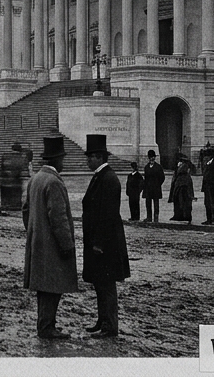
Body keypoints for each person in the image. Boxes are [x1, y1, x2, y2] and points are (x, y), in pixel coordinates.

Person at [21, 135, 77, 340]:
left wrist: (34, 231)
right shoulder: (53, 182)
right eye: (62, 158)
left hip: (38, 242)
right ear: (57, 159)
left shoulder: (35, 179)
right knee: (53, 286)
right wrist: (66, 244)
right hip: (53, 245)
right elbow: (59, 217)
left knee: (44, 286)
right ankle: (47, 328)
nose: (63, 162)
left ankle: (45, 324)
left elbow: (26, 210)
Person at [81, 135, 129, 339]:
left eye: (90, 157)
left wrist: (99, 243)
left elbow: (108, 214)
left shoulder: (108, 179)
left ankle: (110, 326)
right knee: (100, 283)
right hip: (99, 242)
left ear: (99, 157)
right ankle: (102, 320)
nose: (88, 161)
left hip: (106, 244)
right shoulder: (100, 176)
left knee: (107, 284)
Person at [168, 154, 195, 222]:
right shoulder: (180, 168)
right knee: (178, 201)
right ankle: (178, 215)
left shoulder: (183, 168)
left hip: (182, 187)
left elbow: (181, 178)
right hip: (178, 187)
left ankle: (184, 216)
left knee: (183, 201)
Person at [142, 150, 166, 223]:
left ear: (154, 158)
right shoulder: (146, 167)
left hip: (155, 188)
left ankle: (156, 217)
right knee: (148, 203)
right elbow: (145, 178)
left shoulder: (158, 167)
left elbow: (162, 177)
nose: (151, 159)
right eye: (150, 157)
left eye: (152, 157)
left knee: (156, 203)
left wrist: (157, 184)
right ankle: (149, 217)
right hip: (148, 189)